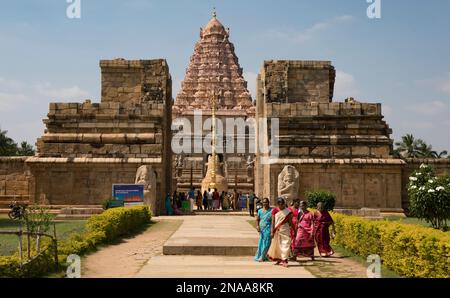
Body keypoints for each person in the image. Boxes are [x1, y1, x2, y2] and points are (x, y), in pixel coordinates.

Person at [267, 198, 296, 267]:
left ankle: (285, 260)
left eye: (282, 204)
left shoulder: (288, 211)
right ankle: (279, 259)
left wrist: (294, 230)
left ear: (284, 204)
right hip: (277, 230)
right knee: (277, 245)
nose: (281, 205)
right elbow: (273, 221)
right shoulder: (275, 210)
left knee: (285, 244)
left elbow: (290, 222)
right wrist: (272, 231)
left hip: (285, 229)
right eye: (279, 204)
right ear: (277, 204)